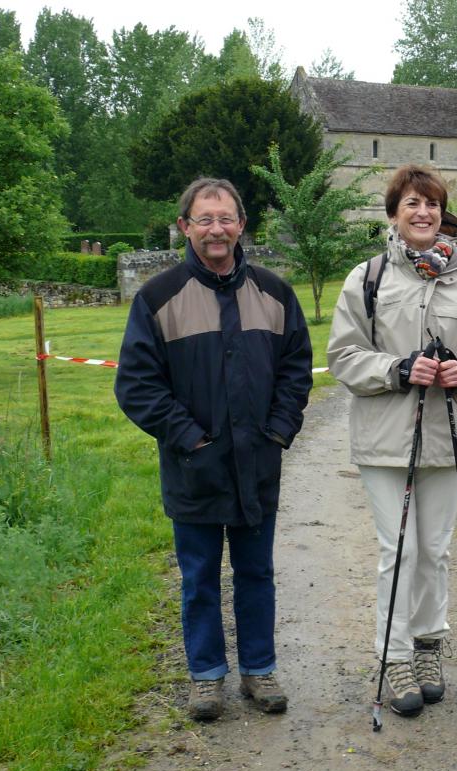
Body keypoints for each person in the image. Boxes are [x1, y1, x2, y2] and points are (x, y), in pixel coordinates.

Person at [115, 177, 313, 722]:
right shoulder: (158, 299)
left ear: (241, 225)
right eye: (204, 220)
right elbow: (136, 386)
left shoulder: (275, 294)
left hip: (257, 465)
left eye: (226, 218)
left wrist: (277, 433)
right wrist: (190, 439)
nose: (216, 229)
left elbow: (297, 371)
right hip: (192, 470)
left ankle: (259, 670)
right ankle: (206, 677)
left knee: (257, 573)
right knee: (198, 577)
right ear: (185, 227)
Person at [327, 164, 457, 718]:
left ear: (443, 212)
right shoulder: (369, 277)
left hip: (446, 437)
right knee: (398, 550)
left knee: (435, 549)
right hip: (386, 438)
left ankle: (429, 647)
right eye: (411, 204)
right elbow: (344, 356)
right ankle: (395, 655)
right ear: (394, 214)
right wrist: (399, 369)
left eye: (431, 204)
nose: (423, 213)